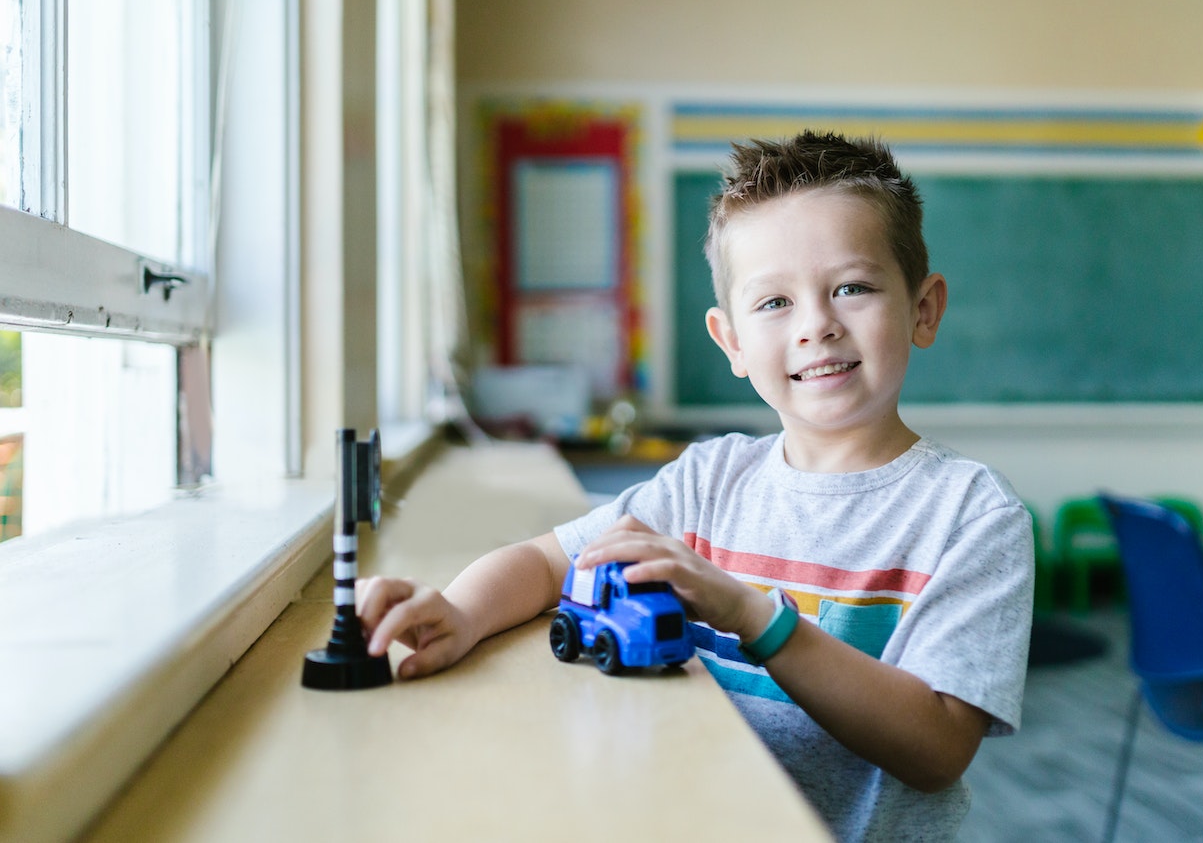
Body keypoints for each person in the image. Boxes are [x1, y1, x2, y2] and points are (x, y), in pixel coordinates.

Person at [356, 131, 1034, 841]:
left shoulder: (972, 514)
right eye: (773, 302)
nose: (816, 326)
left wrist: (754, 617)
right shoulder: (708, 479)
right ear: (731, 341)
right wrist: (460, 613)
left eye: (852, 288)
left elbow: (935, 749)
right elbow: (546, 561)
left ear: (922, 309)